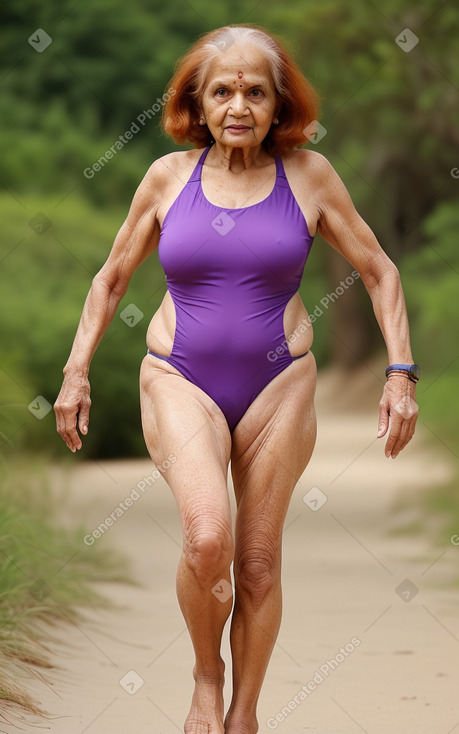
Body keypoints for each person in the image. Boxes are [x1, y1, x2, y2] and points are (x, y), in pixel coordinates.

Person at [54, 23, 419, 734]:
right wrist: (76, 373)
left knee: (255, 563)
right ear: (197, 100)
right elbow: (109, 280)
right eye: (222, 91)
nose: (238, 105)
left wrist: (399, 372)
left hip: (279, 383)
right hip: (178, 375)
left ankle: (244, 714)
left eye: (256, 90)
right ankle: (204, 675)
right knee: (205, 538)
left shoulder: (309, 176)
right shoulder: (166, 177)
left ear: (279, 102)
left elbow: (379, 271)